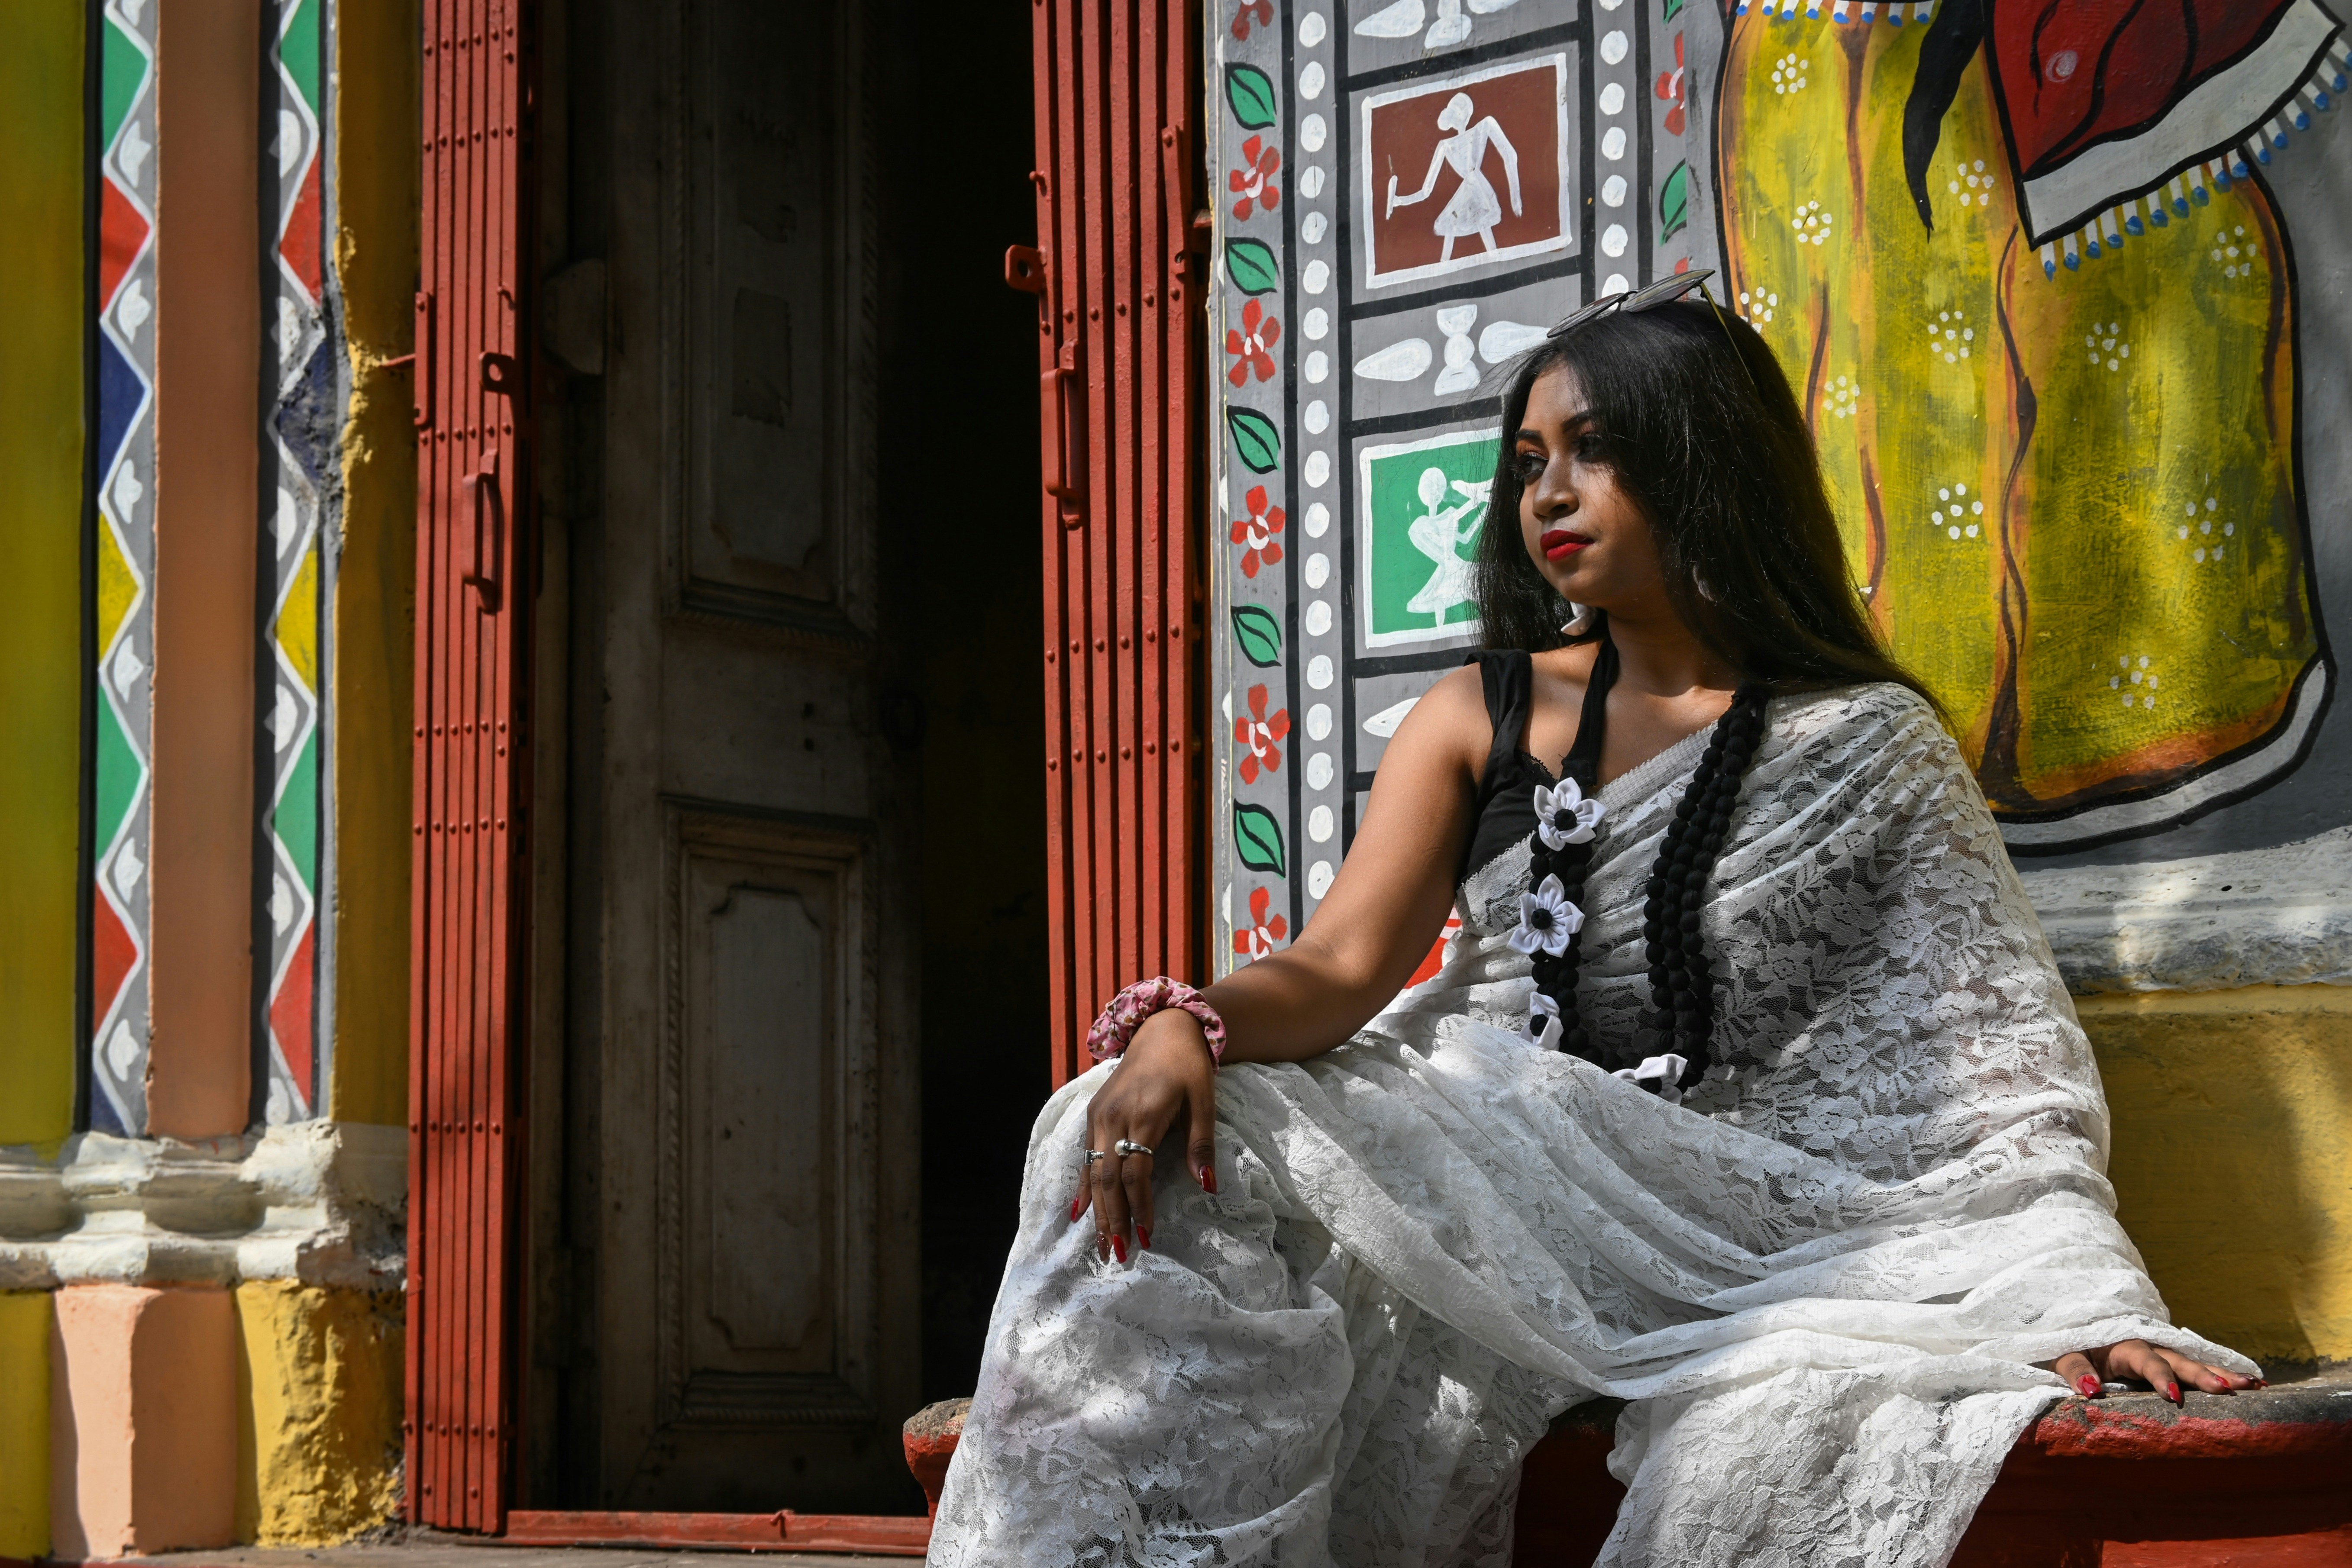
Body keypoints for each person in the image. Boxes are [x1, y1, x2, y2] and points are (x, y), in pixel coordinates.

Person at [927, 275, 2257, 1568]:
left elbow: (1990, 1064)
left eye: (1593, 452)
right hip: (1493, 1162)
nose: (1546, 496)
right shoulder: (1482, 710)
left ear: (1706, 463)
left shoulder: (1868, 742)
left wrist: (2076, 1290)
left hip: (1739, 1213)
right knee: (1123, 1127)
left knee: (1799, 1426)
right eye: (1526, 463)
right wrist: (1183, 1028)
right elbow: (1336, 968)